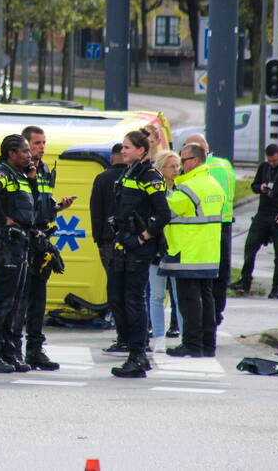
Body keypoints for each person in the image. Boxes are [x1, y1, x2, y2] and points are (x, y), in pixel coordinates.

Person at [108, 130, 171, 378]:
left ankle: (137, 356)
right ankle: (136, 354)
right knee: (119, 298)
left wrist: (142, 237)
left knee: (133, 301)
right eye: (122, 147)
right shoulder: (128, 172)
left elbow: (163, 214)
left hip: (138, 248)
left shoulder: (150, 175)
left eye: (127, 147)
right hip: (123, 243)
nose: (122, 151)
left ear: (141, 150)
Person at [0, 134, 36, 373]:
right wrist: (4, 220)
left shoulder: (20, 176)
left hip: (17, 245)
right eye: (24, 151)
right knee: (0, 302)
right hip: (3, 245)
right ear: (11, 153)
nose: (29, 155)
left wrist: (32, 180)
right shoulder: (2, 173)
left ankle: (6, 352)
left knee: (14, 302)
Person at [159, 143, 224, 357]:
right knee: (207, 300)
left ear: (195, 161)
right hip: (209, 253)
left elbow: (165, 209)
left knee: (189, 302)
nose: (180, 166)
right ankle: (208, 345)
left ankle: (192, 344)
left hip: (188, 253)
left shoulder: (189, 187)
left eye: (183, 160)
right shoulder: (214, 184)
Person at [18, 126, 74, 371]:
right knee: (20, 299)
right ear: (25, 145)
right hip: (24, 240)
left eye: (43, 142)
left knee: (38, 300)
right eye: (37, 143)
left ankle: (35, 350)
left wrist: (59, 208)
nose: (41, 147)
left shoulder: (44, 170)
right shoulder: (19, 171)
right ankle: (13, 350)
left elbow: (42, 206)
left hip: (41, 239)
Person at [230, 144, 278, 299]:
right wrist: (260, 187)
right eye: (270, 161)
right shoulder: (264, 167)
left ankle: (277, 287)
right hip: (263, 213)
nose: (272, 163)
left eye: (275, 160)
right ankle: (245, 280)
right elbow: (254, 186)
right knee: (250, 246)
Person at [183, 133, 236, 325]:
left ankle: (207, 317)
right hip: (225, 222)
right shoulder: (225, 165)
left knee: (204, 276)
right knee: (221, 273)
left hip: (205, 226)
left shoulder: (201, 170)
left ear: (198, 154)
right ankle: (216, 314)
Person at [89, 143, 126, 349]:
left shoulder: (102, 178)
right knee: (132, 291)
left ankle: (122, 336)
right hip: (131, 241)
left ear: (112, 158)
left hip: (108, 241)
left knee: (115, 288)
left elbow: (96, 210)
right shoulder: (135, 176)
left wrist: (98, 238)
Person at [150, 150, 181, 353]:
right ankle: (159, 337)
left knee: (180, 296)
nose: (176, 170)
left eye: (178, 166)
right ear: (161, 169)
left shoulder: (183, 190)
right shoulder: (155, 191)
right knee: (157, 295)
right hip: (157, 248)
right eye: (172, 166)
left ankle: (184, 338)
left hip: (178, 248)